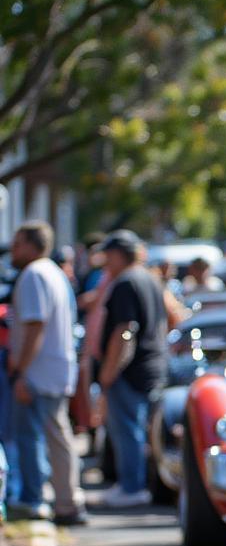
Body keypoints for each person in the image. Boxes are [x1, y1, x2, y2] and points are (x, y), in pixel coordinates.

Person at [6, 221, 87, 523]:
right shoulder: (52, 272)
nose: (12, 250)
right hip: (55, 368)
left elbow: (35, 324)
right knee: (57, 435)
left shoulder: (33, 274)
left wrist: (20, 371)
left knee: (31, 437)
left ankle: (34, 498)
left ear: (31, 245)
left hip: (38, 372)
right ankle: (67, 501)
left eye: (17, 243)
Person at [97, 230, 168, 508]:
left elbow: (125, 331)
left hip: (131, 370)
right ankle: (134, 483)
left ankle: (132, 486)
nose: (105, 262)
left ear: (117, 254)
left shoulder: (126, 282)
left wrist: (109, 371)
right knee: (140, 430)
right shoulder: (149, 278)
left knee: (128, 430)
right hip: (151, 365)